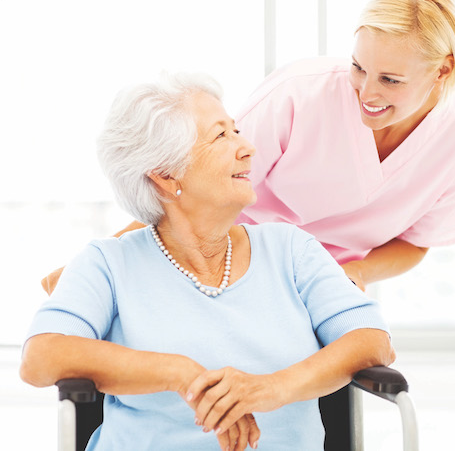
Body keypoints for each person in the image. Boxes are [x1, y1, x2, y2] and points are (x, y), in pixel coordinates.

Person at [20, 73, 395, 451]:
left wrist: (271, 388)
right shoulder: (109, 263)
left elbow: (371, 340)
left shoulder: (292, 250)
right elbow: (42, 356)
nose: (247, 147)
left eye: (236, 131)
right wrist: (179, 372)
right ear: (166, 175)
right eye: (221, 136)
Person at [41, 0, 455, 295]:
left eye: (390, 80)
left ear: (443, 68)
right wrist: (95, 266)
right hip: (229, 255)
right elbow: (197, 191)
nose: (366, 92)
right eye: (358, 67)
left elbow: (414, 243)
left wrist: (359, 273)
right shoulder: (298, 94)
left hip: (322, 283)